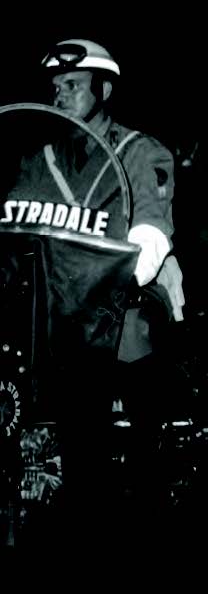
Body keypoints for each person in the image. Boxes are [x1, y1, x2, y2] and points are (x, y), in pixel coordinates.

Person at [8, 39, 183, 536]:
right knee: (77, 450)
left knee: (140, 449)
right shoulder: (41, 161)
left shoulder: (141, 151)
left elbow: (151, 231)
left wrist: (123, 265)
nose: (60, 95)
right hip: (59, 320)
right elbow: (13, 228)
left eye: (74, 85)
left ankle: (149, 516)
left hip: (121, 316)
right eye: (56, 87)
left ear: (104, 90)